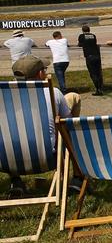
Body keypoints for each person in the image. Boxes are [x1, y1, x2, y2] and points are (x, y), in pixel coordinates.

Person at [8, 55, 82, 196]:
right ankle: (78, 177)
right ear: (40, 74)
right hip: (48, 158)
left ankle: (15, 181)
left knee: (10, 135)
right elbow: (68, 123)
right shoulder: (53, 93)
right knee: (70, 128)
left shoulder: (5, 97)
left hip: (9, 160)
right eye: (44, 69)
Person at [77, 25, 104, 95]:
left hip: (89, 56)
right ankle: (100, 87)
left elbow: (80, 44)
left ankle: (98, 89)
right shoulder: (93, 35)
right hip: (96, 55)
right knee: (98, 73)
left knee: (93, 73)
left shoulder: (81, 36)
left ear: (82, 30)